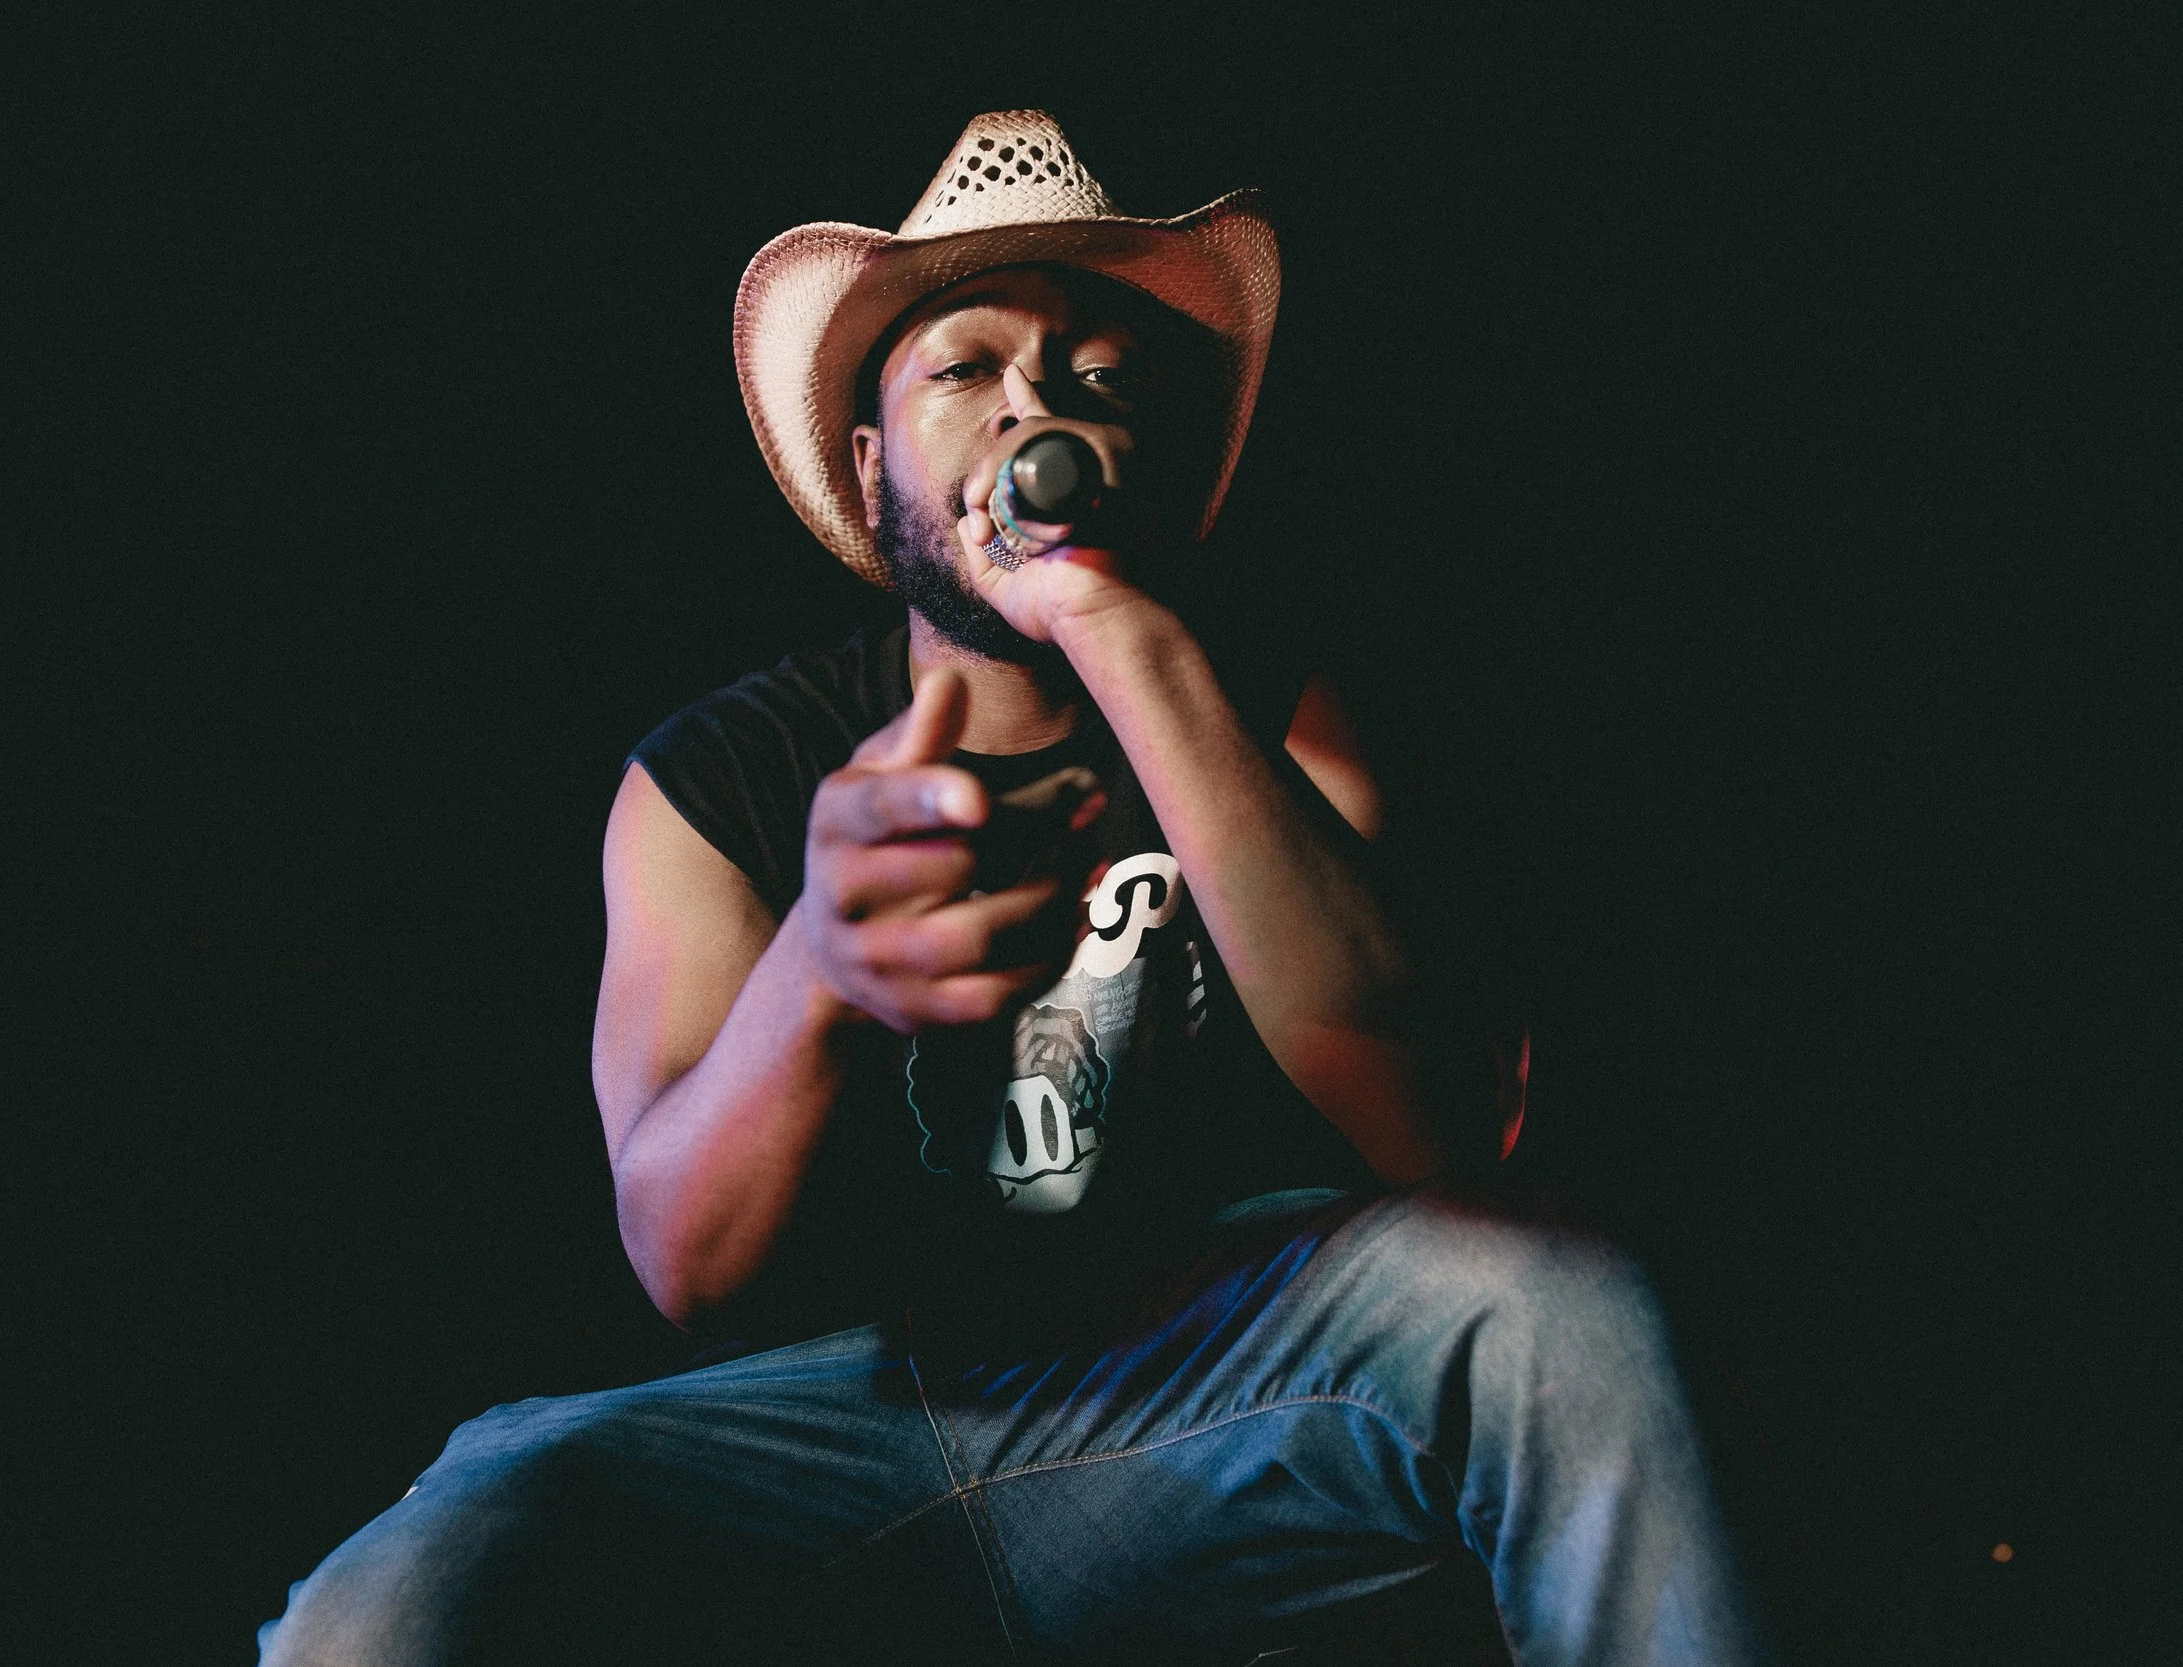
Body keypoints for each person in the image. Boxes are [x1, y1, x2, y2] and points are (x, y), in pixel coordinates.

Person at [259, 111, 1770, 1666]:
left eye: (1092, 372)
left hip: (1221, 1381)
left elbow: (1432, 1128)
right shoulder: (714, 776)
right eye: (964, 369)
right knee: (407, 1581)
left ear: (1163, 457)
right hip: (835, 1424)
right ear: (870, 461)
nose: (1030, 406)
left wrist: (1120, 631)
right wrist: (825, 975)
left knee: (1552, 1305)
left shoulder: (1286, 715)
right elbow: (684, 1262)